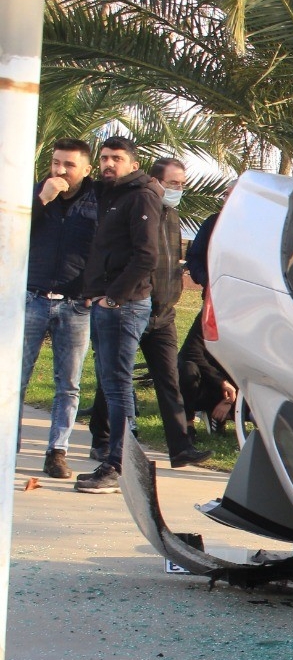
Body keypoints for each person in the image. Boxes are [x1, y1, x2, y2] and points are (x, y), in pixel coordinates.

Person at [87, 156, 212, 473]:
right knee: (115, 376)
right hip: (135, 307)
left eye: (182, 184)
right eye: (173, 183)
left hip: (164, 314)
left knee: (169, 380)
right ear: (155, 181)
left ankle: (180, 448)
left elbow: (172, 262)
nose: (178, 189)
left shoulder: (173, 215)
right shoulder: (141, 210)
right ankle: (102, 438)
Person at [73, 137, 165, 493]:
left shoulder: (141, 196)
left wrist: (113, 298)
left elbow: (147, 256)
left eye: (117, 158)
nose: (108, 164)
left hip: (123, 306)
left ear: (133, 164)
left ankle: (119, 464)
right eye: (104, 158)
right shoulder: (111, 194)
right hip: (107, 303)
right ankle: (119, 458)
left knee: (117, 385)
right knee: (112, 384)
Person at [19, 138, 98, 479]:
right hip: (32, 298)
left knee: (68, 383)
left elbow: (107, 248)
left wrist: (95, 290)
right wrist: (42, 200)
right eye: (56, 162)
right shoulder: (36, 194)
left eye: (69, 164)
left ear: (86, 169)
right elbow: (12, 230)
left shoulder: (98, 201)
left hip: (74, 304)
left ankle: (57, 452)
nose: (60, 170)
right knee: (16, 378)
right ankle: (8, 444)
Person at [180, 210, 237, 430]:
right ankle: (190, 420)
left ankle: (227, 411)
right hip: (215, 297)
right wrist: (209, 282)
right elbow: (191, 352)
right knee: (190, 366)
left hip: (234, 385)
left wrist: (230, 398)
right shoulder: (214, 223)